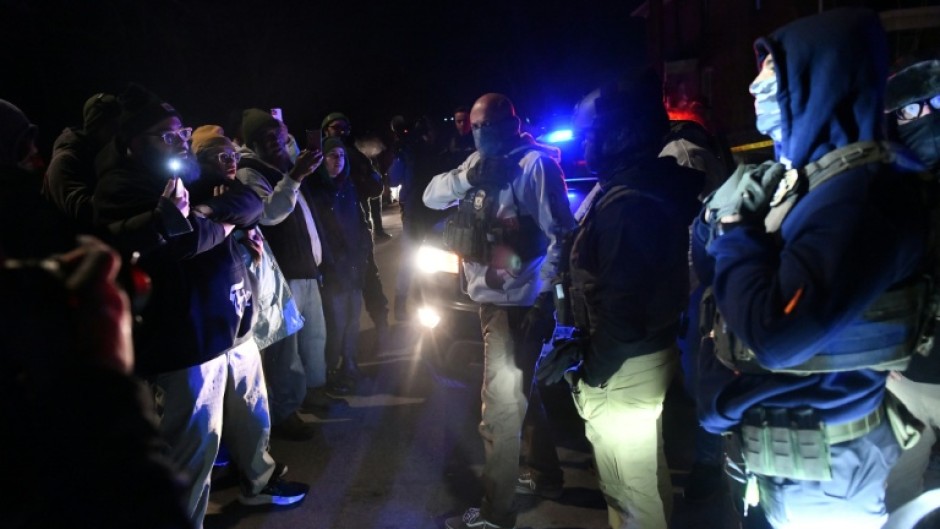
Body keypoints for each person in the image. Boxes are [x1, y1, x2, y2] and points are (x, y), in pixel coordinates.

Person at [692, 9, 932, 529]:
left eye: (773, 74)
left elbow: (777, 335)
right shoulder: (814, 180)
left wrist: (735, 231)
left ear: (820, 78)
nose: (754, 86)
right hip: (789, 461)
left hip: (828, 474)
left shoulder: (861, 198)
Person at [92, 85, 308, 528]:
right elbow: (183, 242)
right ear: (133, 143)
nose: (178, 144)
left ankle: (259, 481)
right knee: (192, 447)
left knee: (253, 410)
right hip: (184, 339)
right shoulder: (120, 186)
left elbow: (249, 202)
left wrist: (206, 217)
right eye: (165, 136)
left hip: (231, 322)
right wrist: (210, 225)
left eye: (181, 133)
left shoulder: (192, 175)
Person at [537, 70, 704, 529]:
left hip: (624, 365)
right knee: (646, 481)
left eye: (591, 133)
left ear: (623, 134)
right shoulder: (639, 186)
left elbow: (622, 310)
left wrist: (592, 374)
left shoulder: (628, 203)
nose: (585, 144)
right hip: (645, 354)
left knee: (628, 494)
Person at [423, 93, 574, 529]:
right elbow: (432, 196)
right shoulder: (475, 166)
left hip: (518, 307)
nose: (481, 134)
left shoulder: (534, 166)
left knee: (500, 413)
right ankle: (546, 477)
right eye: (474, 126)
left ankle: (495, 513)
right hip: (491, 305)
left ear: (512, 123)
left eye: (489, 125)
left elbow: (561, 234)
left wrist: (547, 299)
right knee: (527, 395)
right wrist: (469, 175)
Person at [189, 127, 310, 504]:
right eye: (219, 157)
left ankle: (256, 478)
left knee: (250, 404)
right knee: (202, 426)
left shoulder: (233, 190)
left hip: (239, 317)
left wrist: (239, 235)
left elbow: (254, 210)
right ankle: (204, 498)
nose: (230, 165)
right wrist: (231, 223)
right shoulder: (195, 191)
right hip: (208, 326)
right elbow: (198, 238)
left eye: (232, 157)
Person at [235, 108, 335, 439]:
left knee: (314, 338)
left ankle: (314, 392)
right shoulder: (250, 174)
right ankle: (285, 412)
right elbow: (270, 215)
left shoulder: (283, 166)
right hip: (281, 275)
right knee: (285, 350)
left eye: (278, 135)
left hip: (304, 269)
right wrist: (295, 176)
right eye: (267, 138)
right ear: (252, 144)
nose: (276, 142)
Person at [884, 52, 940, 511]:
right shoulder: (889, 186)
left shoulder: (888, 185)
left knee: (902, 489)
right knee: (901, 489)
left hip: (904, 369)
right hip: (903, 372)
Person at [307, 136, 375, 395]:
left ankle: (350, 364)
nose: (338, 160)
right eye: (332, 155)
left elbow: (358, 225)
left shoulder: (348, 187)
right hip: (332, 269)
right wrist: (329, 265)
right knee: (334, 323)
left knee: (352, 320)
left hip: (353, 268)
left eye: (342, 155)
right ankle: (331, 370)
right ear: (322, 159)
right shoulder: (316, 191)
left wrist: (362, 255)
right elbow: (320, 233)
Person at [322, 111, 390, 359]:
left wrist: (364, 176)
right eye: (333, 128)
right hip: (330, 238)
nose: (339, 133)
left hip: (357, 228)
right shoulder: (321, 158)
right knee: (337, 297)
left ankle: (381, 334)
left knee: (369, 281)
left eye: (343, 128)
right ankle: (338, 357)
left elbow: (375, 188)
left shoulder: (358, 157)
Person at [44, 92, 121, 232]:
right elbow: (82, 210)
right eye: (112, 126)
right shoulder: (65, 161)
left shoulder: (104, 155)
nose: (118, 133)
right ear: (96, 126)